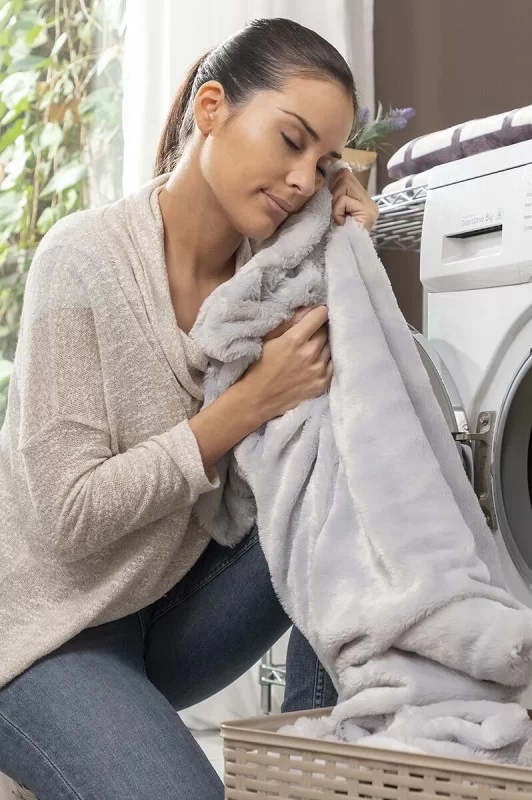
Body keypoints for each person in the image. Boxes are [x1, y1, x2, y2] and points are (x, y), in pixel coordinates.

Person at [0, 18, 379, 799]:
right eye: (290, 140)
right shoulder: (82, 261)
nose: (304, 178)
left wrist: (347, 245)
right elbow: (69, 516)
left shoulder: (272, 275)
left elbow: (373, 409)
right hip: (44, 640)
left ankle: (326, 772)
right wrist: (247, 405)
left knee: (354, 458)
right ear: (211, 109)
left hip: (170, 618)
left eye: (325, 161)